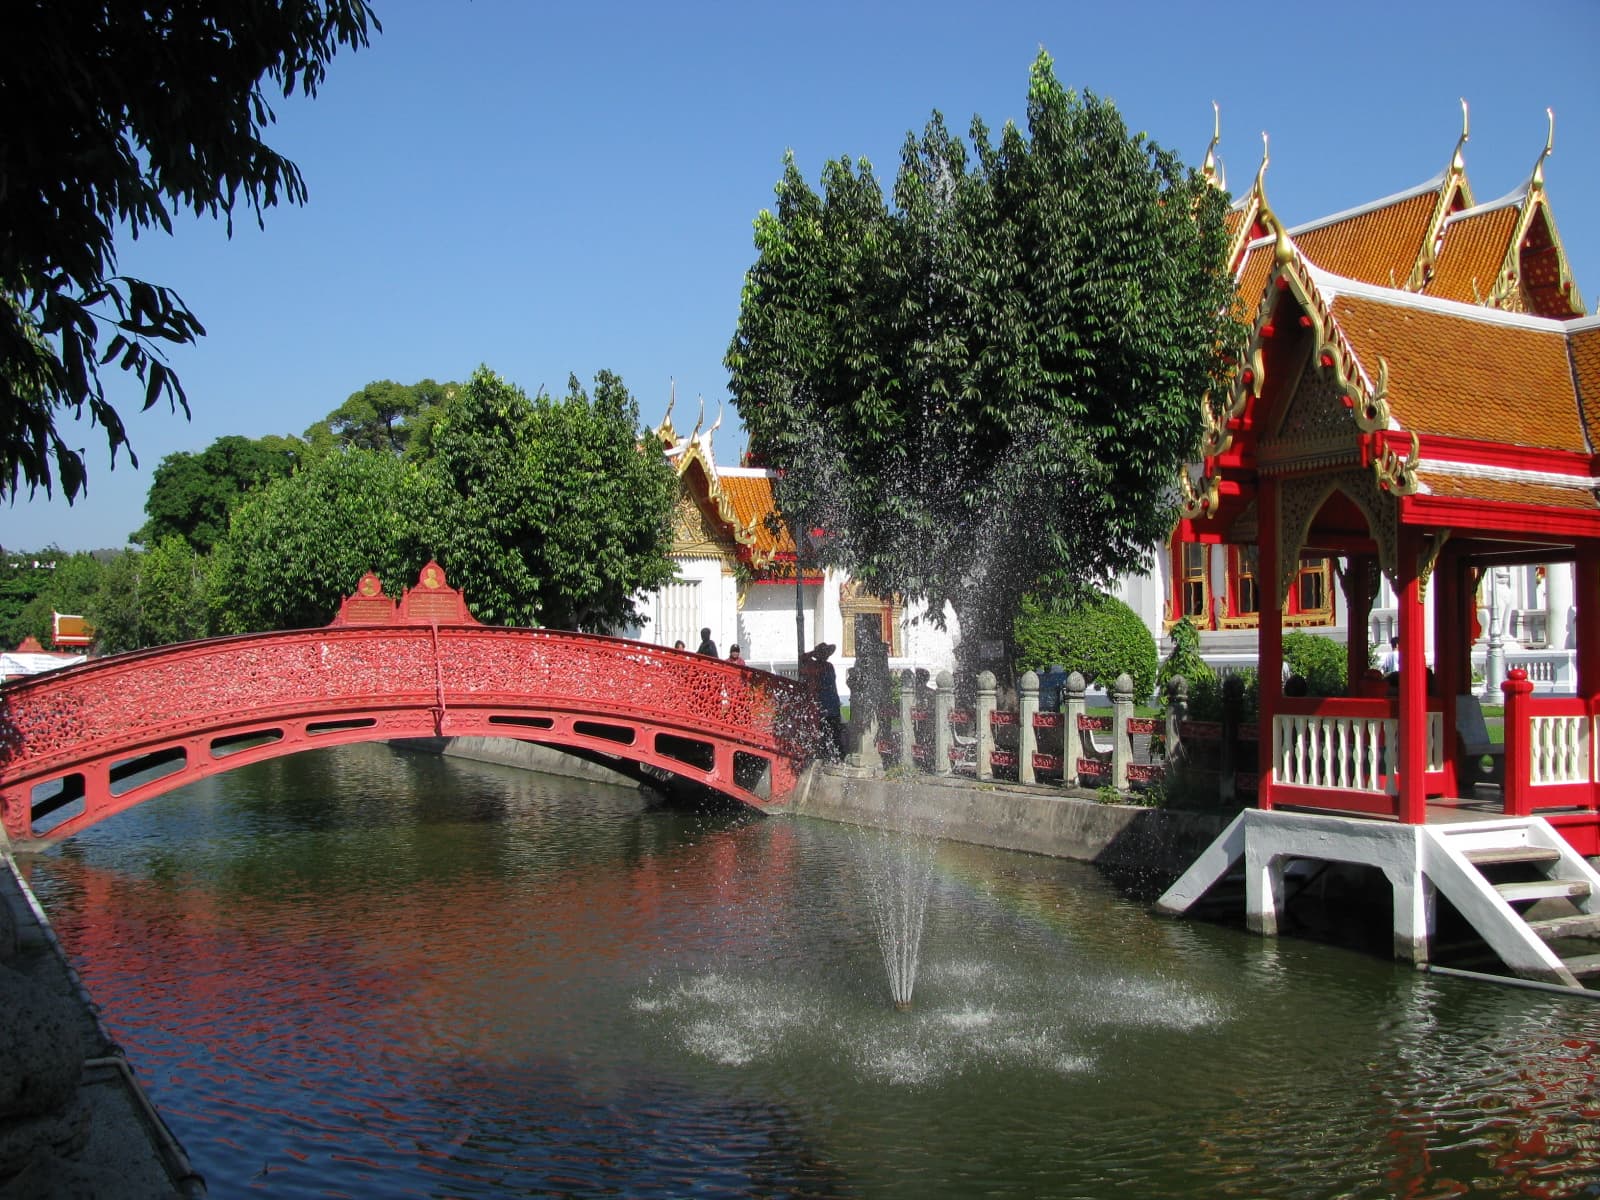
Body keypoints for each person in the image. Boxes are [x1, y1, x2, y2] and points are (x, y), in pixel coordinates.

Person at [801, 642, 844, 758]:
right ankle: (831, 755)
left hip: (828, 703)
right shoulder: (820, 666)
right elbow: (803, 658)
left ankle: (834, 755)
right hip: (826, 704)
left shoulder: (825, 667)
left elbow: (804, 658)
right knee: (828, 732)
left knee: (831, 732)